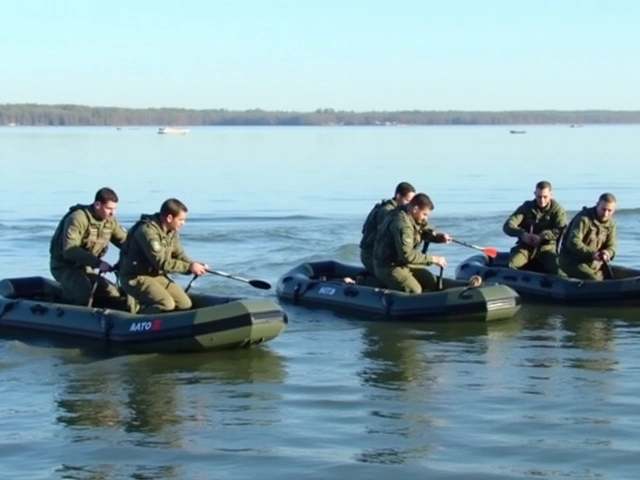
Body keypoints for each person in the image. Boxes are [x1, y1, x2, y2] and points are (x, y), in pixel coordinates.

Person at [372, 193, 477, 293]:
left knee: (431, 281)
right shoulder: (402, 224)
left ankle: (467, 286)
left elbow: (423, 231)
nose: (426, 218)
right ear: (415, 209)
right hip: (388, 266)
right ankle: (369, 284)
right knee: (414, 290)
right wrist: (434, 259)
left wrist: (439, 238)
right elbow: (407, 256)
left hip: (403, 263)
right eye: (424, 214)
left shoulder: (412, 217)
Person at [118, 198, 209, 313]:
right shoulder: (147, 232)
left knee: (185, 304)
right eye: (181, 220)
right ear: (169, 218)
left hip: (156, 275)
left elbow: (178, 254)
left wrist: (194, 265)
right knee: (166, 303)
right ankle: (139, 319)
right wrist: (189, 268)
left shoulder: (171, 231)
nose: (183, 223)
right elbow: (162, 263)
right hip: (135, 277)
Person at [49, 187, 127, 305]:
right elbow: (70, 250)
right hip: (64, 266)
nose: (113, 213)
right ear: (97, 205)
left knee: (112, 293)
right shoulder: (78, 218)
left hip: (86, 267)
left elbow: (125, 242)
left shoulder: (110, 222)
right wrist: (98, 263)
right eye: (109, 208)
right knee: (83, 294)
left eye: (115, 209)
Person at [502, 180, 568, 274]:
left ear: (551, 195)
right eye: (539, 197)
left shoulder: (558, 210)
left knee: (559, 272)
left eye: (545, 197)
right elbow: (508, 225)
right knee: (510, 266)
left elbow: (561, 229)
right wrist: (523, 234)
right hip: (526, 247)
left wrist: (542, 236)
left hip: (547, 249)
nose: (542, 200)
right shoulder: (526, 207)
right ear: (534, 194)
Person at [359, 182, 416, 273]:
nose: (410, 205)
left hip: (381, 254)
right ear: (398, 196)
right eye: (407, 200)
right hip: (371, 255)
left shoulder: (400, 212)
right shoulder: (387, 212)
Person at [558, 193, 617, 280]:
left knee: (607, 279)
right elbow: (573, 242)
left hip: (594, 263)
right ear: (597, 205)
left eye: (609, 211)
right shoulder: (583, 219)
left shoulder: (611, 224)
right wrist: (592, 254)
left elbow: (612, 244)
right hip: (572, 261)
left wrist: (607, 252)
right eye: (603, 209)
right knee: (595, 281)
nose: (605, 214)